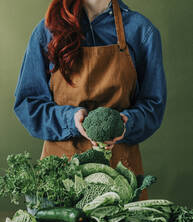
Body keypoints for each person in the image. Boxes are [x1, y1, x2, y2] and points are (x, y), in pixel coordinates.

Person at [14, 0, 167, 201]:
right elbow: (28, 103)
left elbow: (153, 105)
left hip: (120, 179)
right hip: (60, 177)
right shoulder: (48, 31)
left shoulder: (141, 30)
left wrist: (125, 123)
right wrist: (70, 119)